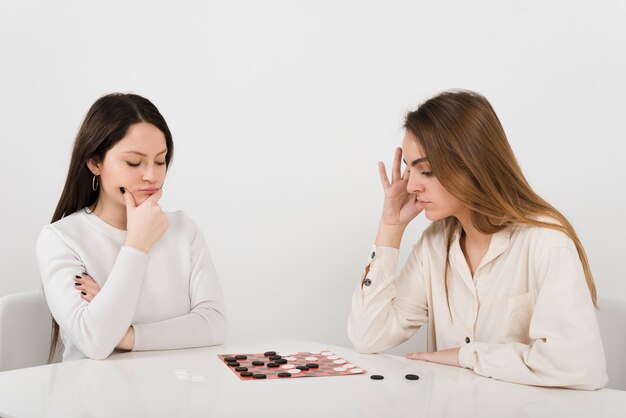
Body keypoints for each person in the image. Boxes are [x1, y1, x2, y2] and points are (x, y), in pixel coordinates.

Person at [347, 90, 607, 390]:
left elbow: (579, 367)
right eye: (409, 169)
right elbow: (368, 336)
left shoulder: (546, 242)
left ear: (471, 165)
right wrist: (390, 227)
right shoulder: (435, 244)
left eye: (426, 170)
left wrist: (466, 356)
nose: (411, 185)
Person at [36, 93, 227, 361]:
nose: (152, 175)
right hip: (93, 396)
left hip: (175, 393)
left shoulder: (183, 229)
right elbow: (95, 341)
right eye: (133, 163)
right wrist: (137, 244)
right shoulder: (60, 239)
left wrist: (124, 335)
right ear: (94, 162)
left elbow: (214, 325)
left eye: (160, 161)